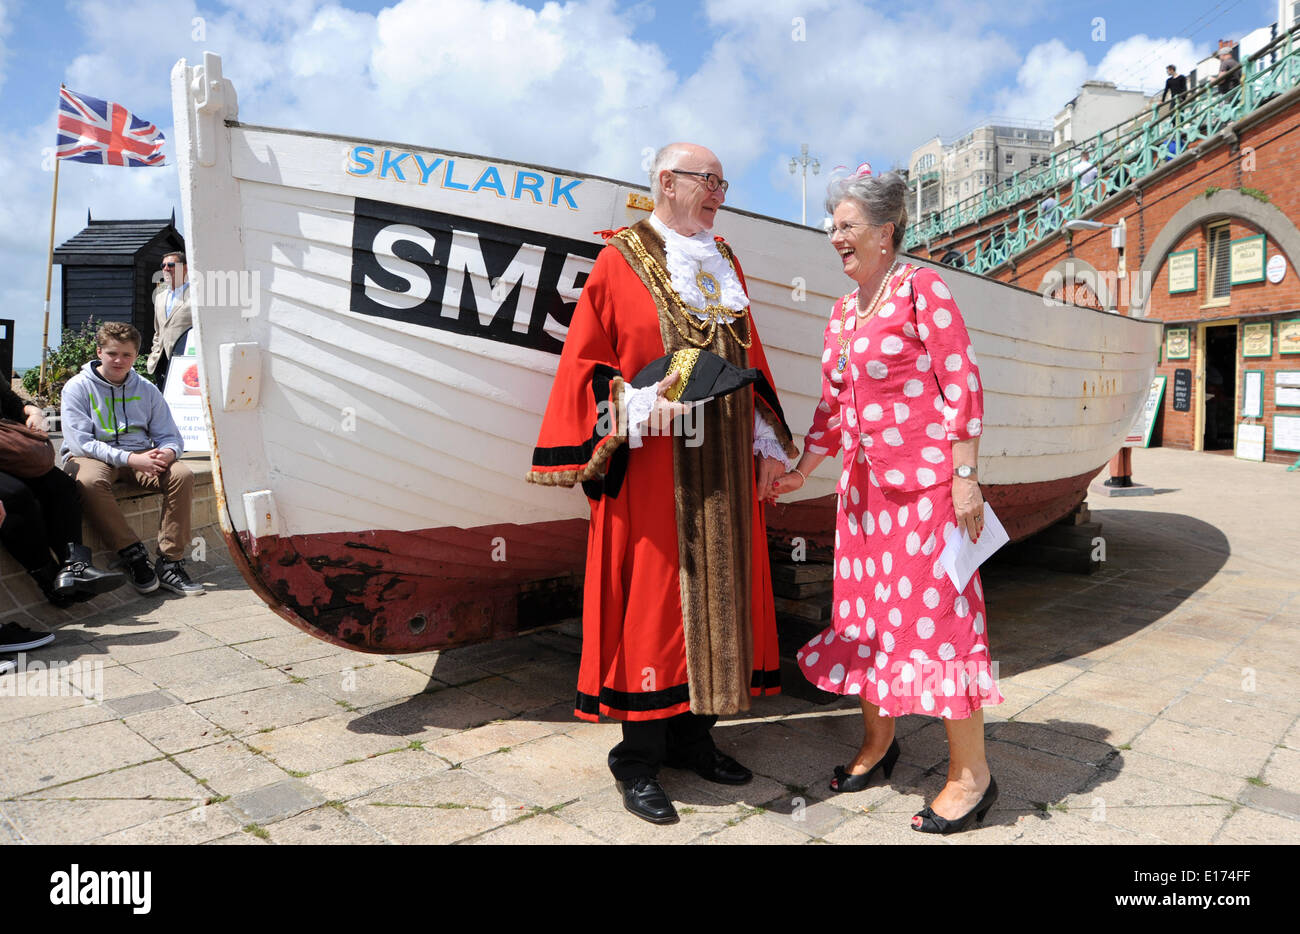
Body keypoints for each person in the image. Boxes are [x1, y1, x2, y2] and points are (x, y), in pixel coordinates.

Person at [526, 143, 797, 825]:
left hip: (725, 463)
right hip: (652, 466)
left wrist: (767, 443)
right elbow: (586, 363)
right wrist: (637, 406)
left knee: (717, 597)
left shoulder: (724, 260)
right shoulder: (621, 260)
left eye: (723, 182)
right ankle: (638, 760)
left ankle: (695, 739)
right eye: (708, 181)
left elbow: (751, 358)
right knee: (654, 604)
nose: (718, 193)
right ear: (666, 183)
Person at [770, 168, 1004, 834]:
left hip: (927, 492)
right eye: (832, 226)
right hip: (864, 498)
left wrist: (965, 474)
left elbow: (962, 382)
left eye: (845, 226)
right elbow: (834, 407)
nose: (834, 237)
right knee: (866, 623)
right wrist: (802, 469)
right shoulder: (844, 312)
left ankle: (971, 776)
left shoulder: (921, 288)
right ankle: (879, 742)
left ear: (884, 231)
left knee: (944, 624)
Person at [61, 321, 204, 598]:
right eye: (113, 353)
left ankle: (170, 562)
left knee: (182, 475)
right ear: (99, 351)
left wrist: (168, 452)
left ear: (136, 356)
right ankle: (133, 554)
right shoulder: (76, 388)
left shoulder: (147, 389)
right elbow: (81, 443)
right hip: (91, 455)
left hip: (140, 454)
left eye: (126, 355)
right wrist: (130, 459)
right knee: (88, 481)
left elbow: (170, 436)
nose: (119, 360)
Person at [0, 372, 124, 613]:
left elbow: (13, 403)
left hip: (6, 452)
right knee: (16, 496)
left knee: (62, 486)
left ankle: (75, 566)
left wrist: (34, 413)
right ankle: (48, 578)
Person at [146, 251, 191, 387]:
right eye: (163, 265)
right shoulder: (160, 296)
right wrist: (155, 351)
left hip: (184, 360)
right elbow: (158, 330)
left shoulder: (197, 296)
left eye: (171, 265)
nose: (166, 268)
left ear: (185, 268)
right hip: (160, 362)